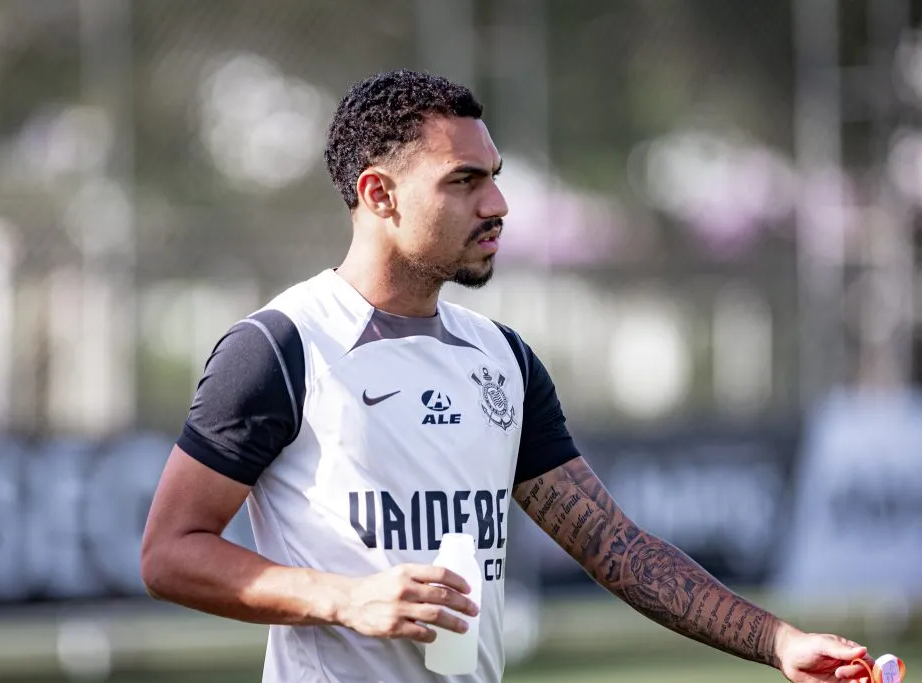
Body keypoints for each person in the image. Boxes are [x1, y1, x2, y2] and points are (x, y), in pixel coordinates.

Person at [141, 69, 875, 683]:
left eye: (494, 177)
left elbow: (617, 547)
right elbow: (170, 550)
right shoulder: (282, 346)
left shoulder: (504, 359)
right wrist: (344, 598)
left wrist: (778, 641)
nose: (497, 205)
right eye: (464, 182)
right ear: (378, 195)